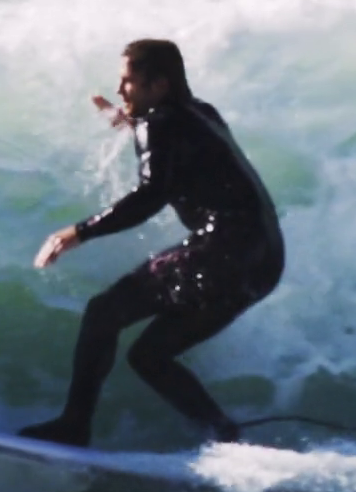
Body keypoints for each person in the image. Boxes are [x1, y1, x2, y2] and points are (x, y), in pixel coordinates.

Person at [21, 39, 285, 447]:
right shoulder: (202, 113)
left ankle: (74, 425)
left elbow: (151, 195)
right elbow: (179, 148)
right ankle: (224, 434)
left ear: (158, 85)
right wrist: (130, 120)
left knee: (103, 313)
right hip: (265, 260)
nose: (120, 89)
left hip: (225, 251)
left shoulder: (158, 125)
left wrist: (79, 232)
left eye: (128, 81)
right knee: (149, 356)